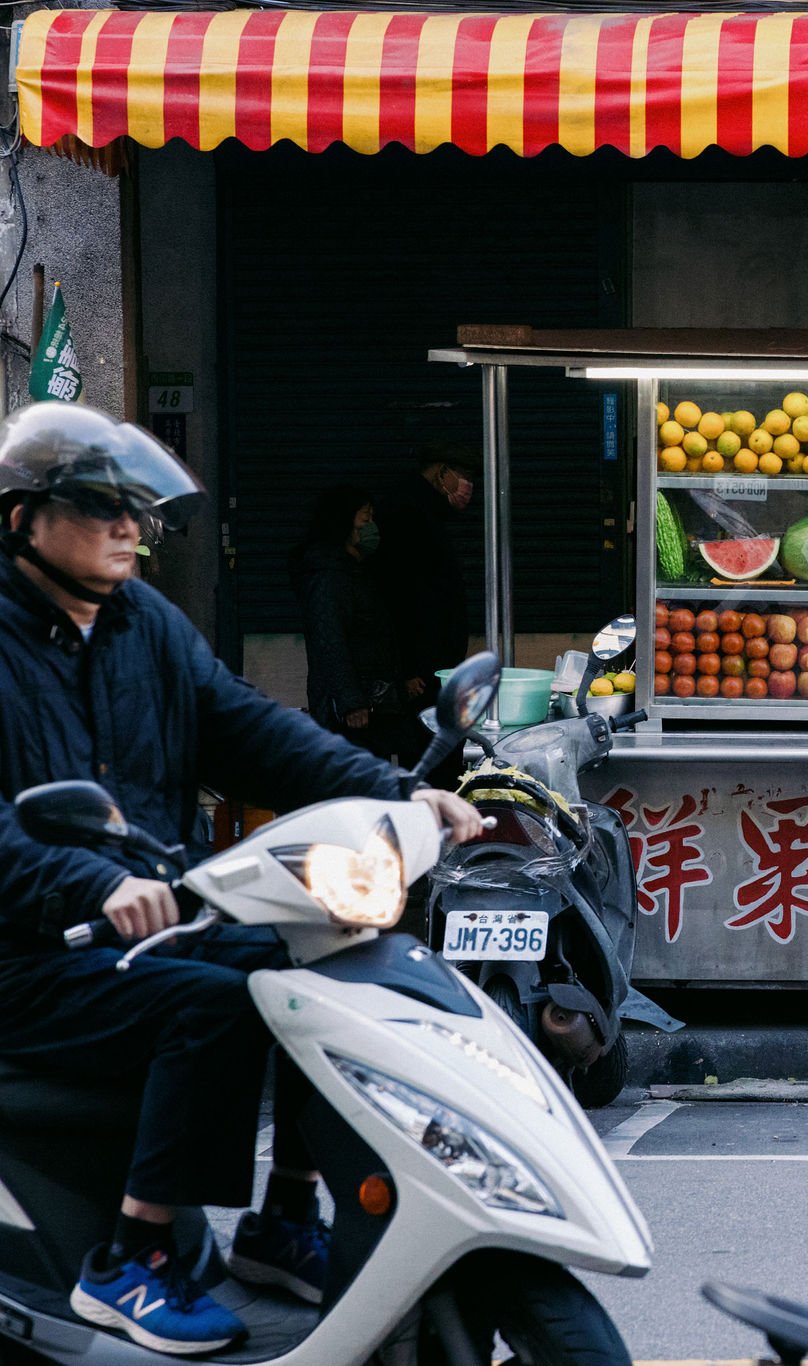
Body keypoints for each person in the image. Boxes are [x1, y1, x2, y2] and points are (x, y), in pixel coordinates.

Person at [0, 402, 481, 1355]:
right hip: (33, 950)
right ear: (22, 518)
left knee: (329, 967)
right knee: (214, 1006)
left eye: (137, 509)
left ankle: (283, 1218)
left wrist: (403, 792)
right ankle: (133, 1260)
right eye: (101, 507)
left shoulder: (149, 626)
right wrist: (83, 883)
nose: (130, 529)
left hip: (156, 918)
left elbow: (256, 732)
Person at [290, 484, 421, 767]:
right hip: (354, 712)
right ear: (343, 522)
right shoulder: (328, 577)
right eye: (366, 518)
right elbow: (330, 641)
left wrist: (399, 683)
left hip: (373, 705)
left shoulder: (354, 572)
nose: (373, 526)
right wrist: (351, 702)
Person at [375, 446, 475, 702]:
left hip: (433, 660)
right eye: (464, 475)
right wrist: (407, 669)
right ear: (442, 473)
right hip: (422, 668)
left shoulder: (429, 512)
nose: (469, 485)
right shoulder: (409, 513)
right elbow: (399, 592)